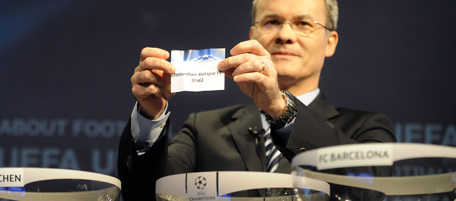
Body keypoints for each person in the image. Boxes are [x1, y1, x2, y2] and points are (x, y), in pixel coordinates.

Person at [117, 0, 396, 200]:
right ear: (254, 35)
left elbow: (371, 189)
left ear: (330, 42)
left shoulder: (365, 127)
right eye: (272, 22)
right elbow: (147, 193)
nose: (285, 36)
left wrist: (281, 107)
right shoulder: (204, 128)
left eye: (303, 24)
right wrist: (150, 116)